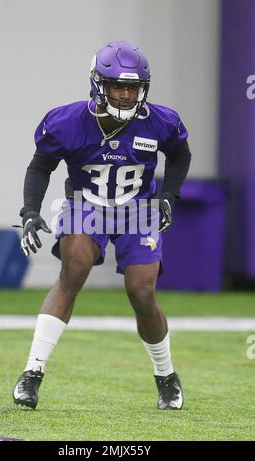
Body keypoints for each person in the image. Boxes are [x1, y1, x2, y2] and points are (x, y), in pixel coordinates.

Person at [13, 40, 191, 411]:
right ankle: (32, 372)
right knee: (73, 268)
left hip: (138, 208)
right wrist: (30, 210)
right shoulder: (65, 121)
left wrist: (169, 197)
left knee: (142, 292)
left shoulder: (161, 121)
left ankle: (166, 376)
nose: (126, 95)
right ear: (99, 84)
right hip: (85, 205)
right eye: (118, 86)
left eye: (133, 87)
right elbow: (40, 165)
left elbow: (179, 154)